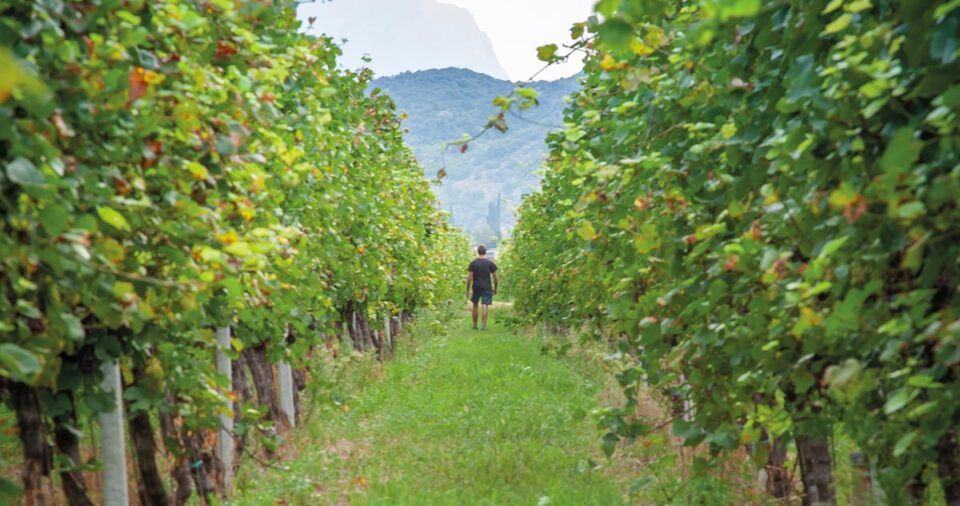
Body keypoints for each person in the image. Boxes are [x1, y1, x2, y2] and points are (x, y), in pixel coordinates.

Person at [466, 244, 498, 330]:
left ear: (478, 252)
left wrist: (468, 290)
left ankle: (475, 325)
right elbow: (495, 278)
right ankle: (483, 325)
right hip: (487, 287)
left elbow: (469, 278)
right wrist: (495, 288)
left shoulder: (473, 263)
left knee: (475, 305)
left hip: (476, 286)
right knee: (485, 305)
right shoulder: (490, 263)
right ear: (485, 252)